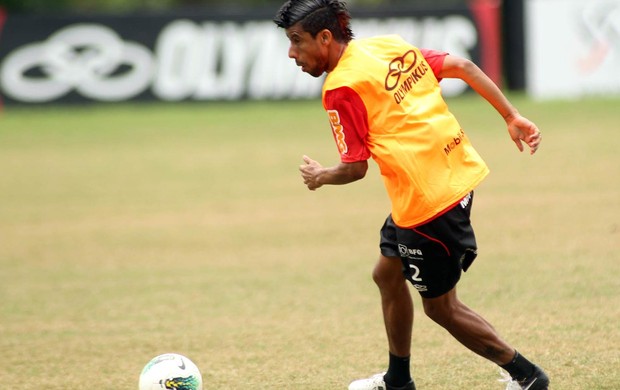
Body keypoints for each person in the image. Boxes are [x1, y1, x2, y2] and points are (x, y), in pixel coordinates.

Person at [273, 1, 549, 389]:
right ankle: (398, 380)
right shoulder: (385, 45)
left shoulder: (339, 88)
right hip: (450, 174)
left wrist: (321, 176)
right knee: (386, 274)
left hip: (428, 203)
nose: (291, 53)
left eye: (296, 42)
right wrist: (510, 116)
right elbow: (464, 68)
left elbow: (355, 168)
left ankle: (527, 376)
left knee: (441, 307)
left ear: (324, 37)